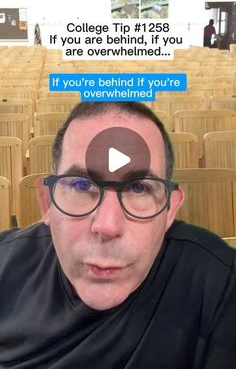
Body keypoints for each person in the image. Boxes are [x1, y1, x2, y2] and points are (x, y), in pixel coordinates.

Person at [0, 101, 236, 369]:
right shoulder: (4, 266)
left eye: (138, 188)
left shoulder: (221, 285)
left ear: (170, 210)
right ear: (47, 204)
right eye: (81, 184)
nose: (108, 225)